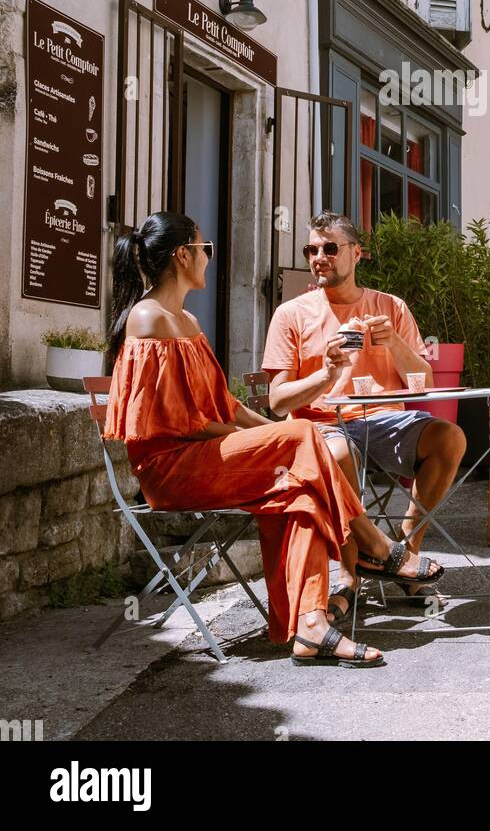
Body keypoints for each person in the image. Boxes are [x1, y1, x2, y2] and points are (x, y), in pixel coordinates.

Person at [104, 211, 444, 668]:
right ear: (183, 255)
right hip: (173, 468)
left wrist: (279, 434)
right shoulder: (150, 319)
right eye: (204, 249)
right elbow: (181, 424)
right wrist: (286, 434)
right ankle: (375, 547)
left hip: (209, 456)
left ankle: (311, 627)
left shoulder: (184, 320)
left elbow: (225, 407)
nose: (209, 258)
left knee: (301, 493)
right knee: (304, 440)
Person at [261, 211, 466, 623]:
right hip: (322, 423)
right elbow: (278, 402)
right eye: (311, 249)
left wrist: (392, 342)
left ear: (357, 254)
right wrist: (326, 374)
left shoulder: (389, 308)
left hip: (385, 421)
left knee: (450, 437)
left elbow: (421, 381)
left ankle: (404, 552)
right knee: (337, 453)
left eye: (330, 248)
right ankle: (349, 575)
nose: (320, 256)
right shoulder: (292, 314)